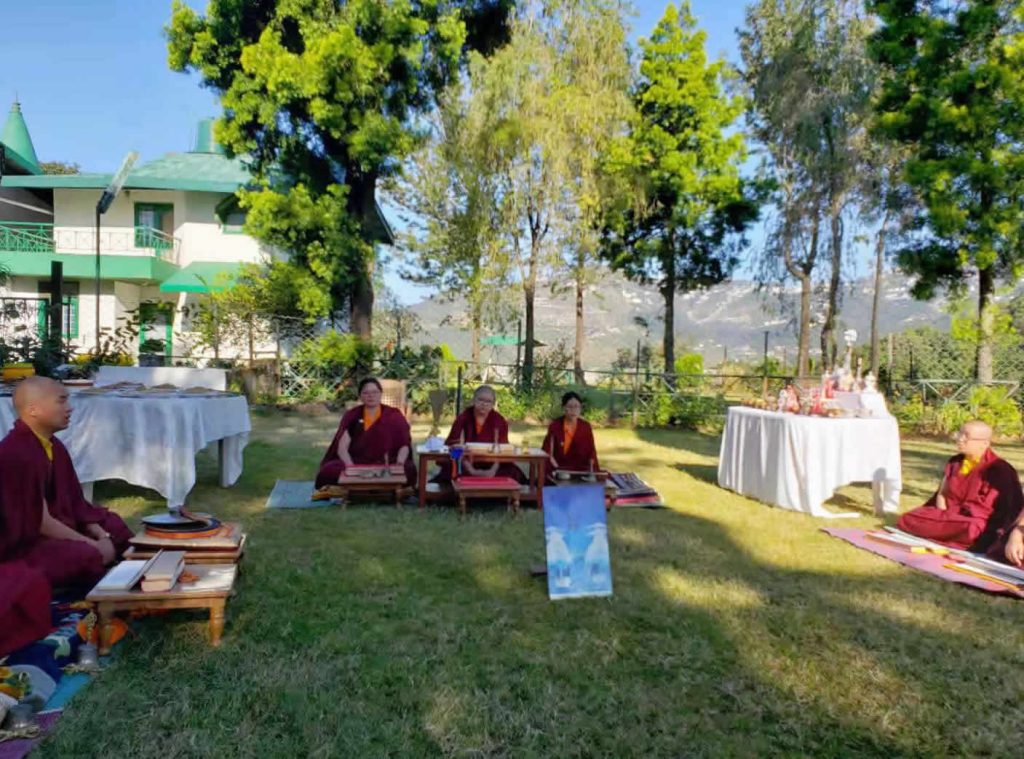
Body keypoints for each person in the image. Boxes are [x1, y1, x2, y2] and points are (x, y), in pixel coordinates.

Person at [0, 377, 133, 588]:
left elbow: (75, 504)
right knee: (83, 555)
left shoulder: (54, 446)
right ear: (33, 409)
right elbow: (39, 521)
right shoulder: (16, 453)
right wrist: (93, 545)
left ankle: (124, 571)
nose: (69, 408)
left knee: (114, 526)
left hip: (59, 526)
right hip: (23, 544)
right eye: (61, 401)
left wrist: (102, 535)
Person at [896, 420, 1024, 552]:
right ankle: (945, 532)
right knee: (908, 517)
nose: (960, 439)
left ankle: (942, 531)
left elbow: (989, 511)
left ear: (985, 443)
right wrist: (944, 515)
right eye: (959, 434)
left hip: (974, 522)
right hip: (949, 517)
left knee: (973, 529)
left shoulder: (999, 469)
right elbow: (942, 494)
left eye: (966, 436)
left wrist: (951, 516)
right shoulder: (955, 462)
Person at [316, 377, 416, 488]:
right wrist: (351, 467)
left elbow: (404, 444)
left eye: (374, 392)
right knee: (328, 471)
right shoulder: (352, 415)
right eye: (366, 393)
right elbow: (342, 448)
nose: (371, 396)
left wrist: (399, 463)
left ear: (380, 394)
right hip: (357, 462)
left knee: (409, 469)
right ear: (360, 396)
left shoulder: (394, 415)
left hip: (387, 462)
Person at [439, 385, 525, 482]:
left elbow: (502, 450)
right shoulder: (463, 418)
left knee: (512, 472)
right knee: (451, 469)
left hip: (492, 464)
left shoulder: (499, 420)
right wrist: (472, 470)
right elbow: (453, 448)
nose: (484, 404)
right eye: (480, 400)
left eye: (488, 401)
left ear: (493, 404)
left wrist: (492, 471)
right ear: (473, 400)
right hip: (465, 463)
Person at [542, 392, 600, 475]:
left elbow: (591, 453)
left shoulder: (585, 427)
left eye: (576, 406)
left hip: (581, 471)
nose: (573, 410)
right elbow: (548, 453)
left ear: (580, 408)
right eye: (570, 406)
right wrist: (558, 469)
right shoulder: (555, 426)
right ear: (563, 407)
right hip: (558, 470)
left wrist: (592, 472)